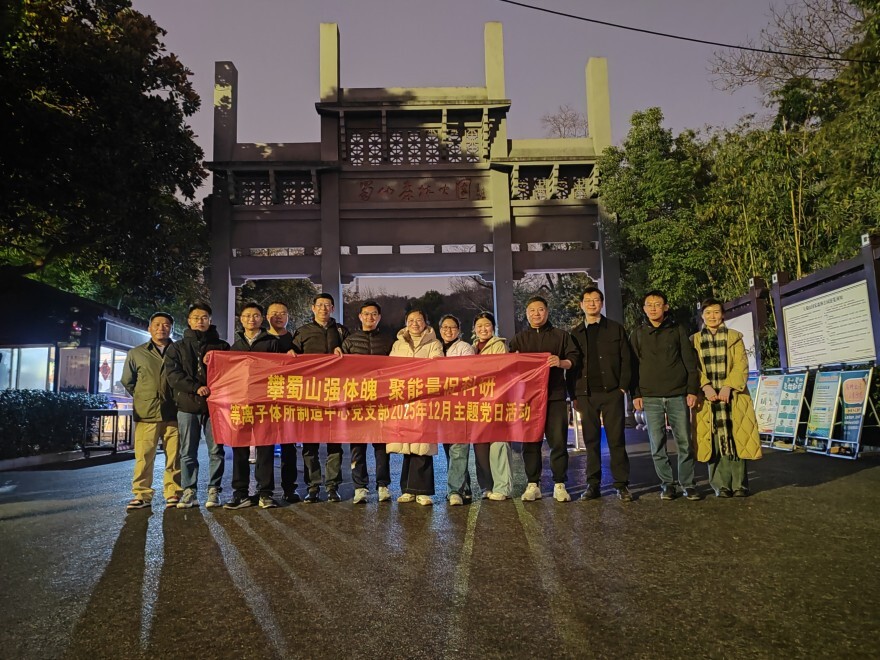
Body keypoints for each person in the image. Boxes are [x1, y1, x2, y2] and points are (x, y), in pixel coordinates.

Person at [630, 290, 701, 501]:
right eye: (649, 305)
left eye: (657, 304)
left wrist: (692, 389)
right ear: (644, 309)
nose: (653, 308)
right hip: (650, 396)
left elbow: (689, 362)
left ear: (666, 307)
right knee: (657, 443)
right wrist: (636, 394)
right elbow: (633, 367)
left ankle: (688, 483)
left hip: (677, 394)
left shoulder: (677, 330)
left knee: (684, 441)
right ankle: (667, 484)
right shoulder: (638, 334)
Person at [509, 296, 579, 503]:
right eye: (532, 310)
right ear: (526, 313)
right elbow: (508, 367)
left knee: (558, 441)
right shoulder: (519, 339)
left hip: (555, 396)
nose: (536, 314)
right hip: (528, 399)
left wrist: (561, 362)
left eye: (540, 309)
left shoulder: (561, 336)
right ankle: (533, 484)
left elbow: (574, 360)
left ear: (547, 312)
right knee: (530, 442)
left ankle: (559, 484)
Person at [692, 298, 762, 497]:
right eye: (708, 313)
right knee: (712, 440)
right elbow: (693, 368)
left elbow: (741, 364)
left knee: (737, 436)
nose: (712, 316)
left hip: (733, 397)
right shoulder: (694, 340)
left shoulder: (734, 337)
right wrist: (705, 386)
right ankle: (721, 486)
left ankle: (740, 485)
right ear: (702, 316)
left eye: (716, 312)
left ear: (722, 315)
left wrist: (728, 386)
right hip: (707, 399)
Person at [569, 287, 633, 502]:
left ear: (602, 303)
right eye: (587, 300)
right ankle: (593, 484)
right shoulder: (575, 333)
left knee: (616, 440)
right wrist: (573, 395)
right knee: (591, 441)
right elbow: (571, 366)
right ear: (581, 305)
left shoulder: (615, 329)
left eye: (596, 300)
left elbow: (626, 359)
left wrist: (622, 388)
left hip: (612, 392)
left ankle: (621, 485)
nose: (592, 304)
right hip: (586, 394)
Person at [164, 303, 229, 509]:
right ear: (189, 321)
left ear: (210, 320)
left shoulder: (222, 347)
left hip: (215, 407)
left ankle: (214, 490)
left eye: (204, 317)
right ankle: (189, 491)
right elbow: (173, 375)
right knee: (187, 451)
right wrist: (196, 387)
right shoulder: (177, 347)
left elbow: (231, 374)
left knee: (216, 450)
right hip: (187, 405)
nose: (200, 321)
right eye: (196, 317)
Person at [292, 293, 350, 503]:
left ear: (333, 308)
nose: (323, 308)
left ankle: (332, 486)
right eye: (320, 305)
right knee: (310, 444)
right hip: (310, 394)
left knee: (335, 443)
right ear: (313, 308)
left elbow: (353, 357)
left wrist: (344, 352)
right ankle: (313, 486)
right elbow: (291, 357)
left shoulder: (341, 331)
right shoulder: (303, 332)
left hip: (335, 393)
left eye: (327, 305)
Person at [120, 312, 181, 510]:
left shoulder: (179, 351)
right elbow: (128, 381)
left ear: (171, 328)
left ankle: (173, 492)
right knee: (144, 457)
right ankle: (141, 494)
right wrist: (143, 397)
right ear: (149, 328)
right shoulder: (136, 353)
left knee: (174, 456)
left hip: (174, 411)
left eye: (166, 324)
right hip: (147, 413)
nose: (161, 328)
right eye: (157, 324)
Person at [338, 301, 395, 504]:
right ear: (360, 317)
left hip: (381, 401)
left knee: (381, 446)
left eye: (374, 314)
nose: (370, 317)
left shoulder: (388, 341)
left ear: (379, 317)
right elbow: (339, 369)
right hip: (357, 401)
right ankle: (360, 487)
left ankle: (383, 485)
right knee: (357, 446)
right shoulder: (350, 342)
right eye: (366, 314)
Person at [224, 302, 280, 510]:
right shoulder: (234, 346)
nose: (251, 319)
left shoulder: (272, 343)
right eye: (247, 315)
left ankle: (265, 493)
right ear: (241, 319)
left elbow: (281, 369)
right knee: (239, 447)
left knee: (265, 447)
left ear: (261, 319)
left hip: (265, 402)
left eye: (255, 315)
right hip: (240, 402)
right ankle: (240, 493)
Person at [387, 309, 443, 506]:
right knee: (407, 445)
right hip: (404, 397)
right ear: (406, 323)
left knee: (423, 444)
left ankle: (423, 491)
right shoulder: (398, 344)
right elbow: (391, 368)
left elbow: (437, 367)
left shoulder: (434, 343)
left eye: (419, 320)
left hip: (424, 397)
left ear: (425, 322)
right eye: (411, 320)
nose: (415, 323)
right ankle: (407, 490)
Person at [470, 312, 513, 501]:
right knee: (480, 447)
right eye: (479, 326)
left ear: (493, 327)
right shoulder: (471, 349)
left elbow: (501, 372)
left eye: (487, 325)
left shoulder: (499, 346)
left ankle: (502, 487)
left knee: (498, 445)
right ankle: (486, 486)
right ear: (474, 329)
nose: (483, 329)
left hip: (496, 401)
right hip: (476, 404)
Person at [438, 314, 476, 506]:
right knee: (450, 449)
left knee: (459, 448)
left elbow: (467, 373)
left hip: (460, 404)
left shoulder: (465, 348)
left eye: (452, 327)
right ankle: (465, 488)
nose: (448, 330)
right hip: (442, 406)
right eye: (445, 327)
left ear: (459, 330)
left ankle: (454, 491)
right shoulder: (437, 347)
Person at [266, 300, 301, 503]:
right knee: (265, 447)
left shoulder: (295, 340)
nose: (278, 316)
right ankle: (266, 490)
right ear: (267, 316)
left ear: (288, 316)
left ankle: (290, 488)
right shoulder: (260, 340)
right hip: (265, 399)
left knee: (289, 447)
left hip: (289, 399)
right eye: (274, 313)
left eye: (283, 313)